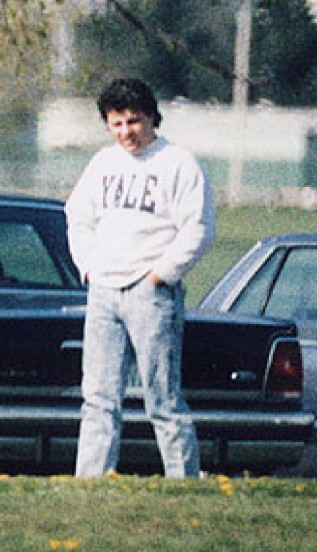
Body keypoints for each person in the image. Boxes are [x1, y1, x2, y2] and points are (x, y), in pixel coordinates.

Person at [64, 78, 216, 478]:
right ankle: (91, 483)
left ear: (151, 118)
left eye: (133, 121)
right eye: (115, 124)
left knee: (162, 398)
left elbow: (199, 228)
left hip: (151, 295)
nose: (125, 132)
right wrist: (90, 268)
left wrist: (159, 275)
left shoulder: (177, 162)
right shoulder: (102, 163)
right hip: (104, 292)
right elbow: (78, 218)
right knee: (98, 399)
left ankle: (183, 482)